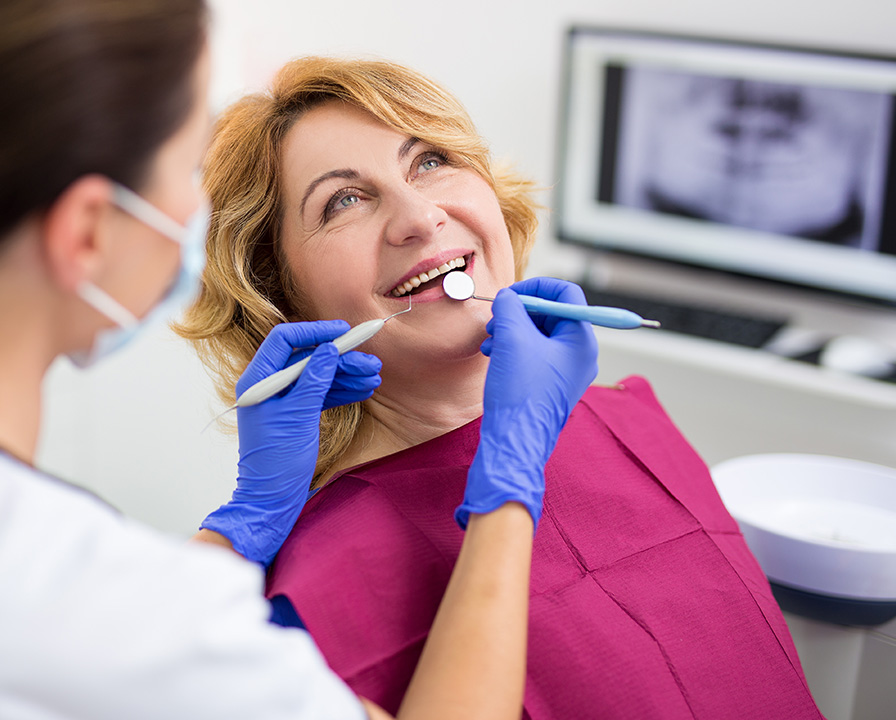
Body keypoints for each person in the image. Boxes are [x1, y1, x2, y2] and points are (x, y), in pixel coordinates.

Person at [0, 2, 597, 719]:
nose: (421, 217)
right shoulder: (49, 597)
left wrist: (242, 527)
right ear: (88, 231)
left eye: (431, 161)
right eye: (192, 162)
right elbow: (125, 639)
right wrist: (507, 485)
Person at [178, 56, 825, 719]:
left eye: (429, 161)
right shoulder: (308, 600)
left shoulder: (635, 422)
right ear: (280, 290)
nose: (419, 216)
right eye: (344, 199)